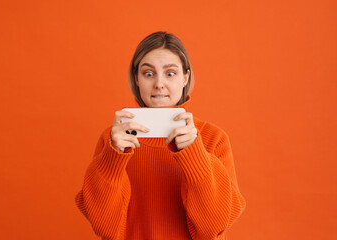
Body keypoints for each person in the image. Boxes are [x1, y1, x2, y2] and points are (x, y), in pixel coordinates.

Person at [75, 31, 246, 240]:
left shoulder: (213, 138)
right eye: (148, 73)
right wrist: (113, 158)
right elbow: (104, 226)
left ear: (185, 77)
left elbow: (213, 227)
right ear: (136, 78)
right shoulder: (113, 140)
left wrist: (195, 155)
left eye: (170, 73)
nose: (159, 84)